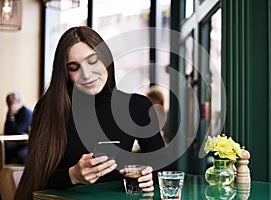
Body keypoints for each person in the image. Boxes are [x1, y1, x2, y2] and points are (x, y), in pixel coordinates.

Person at [15, 26, 165, 200]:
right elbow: (36, 178)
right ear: (65, 73)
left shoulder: (137, 106)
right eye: (74, 67)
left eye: (93, 61)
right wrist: (73, 175)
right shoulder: (49, 108)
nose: (86, 74)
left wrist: (148, 175)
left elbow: (164, 167)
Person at [4, 92, 32, 164]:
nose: (9, 106)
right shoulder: (11, 113)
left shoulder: (26, 113)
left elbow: (17, 130)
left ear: (18, 101)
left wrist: (11, 116)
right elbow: (7, 130)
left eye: (11, 103)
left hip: (25, 144)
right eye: (8, 103)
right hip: (15, 142)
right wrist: (10, 115)